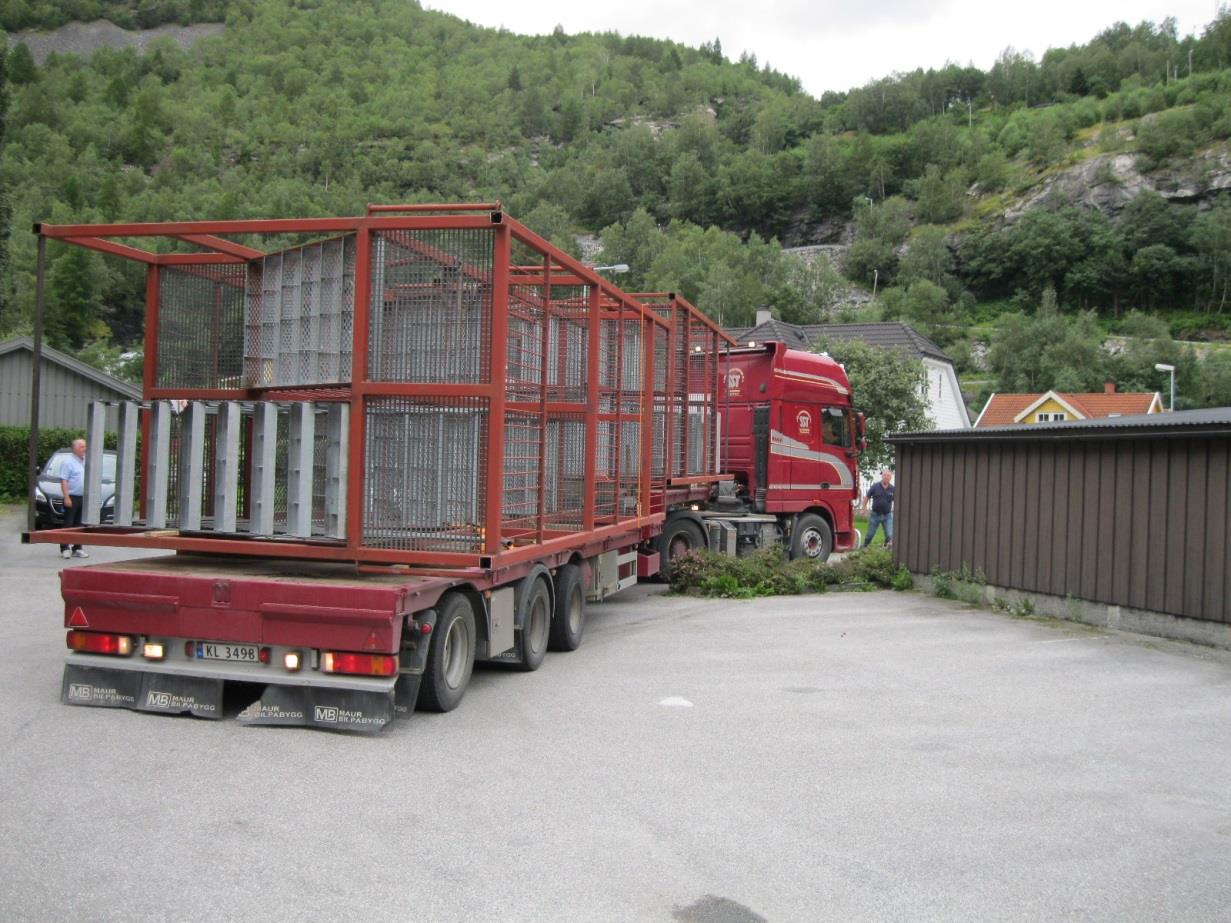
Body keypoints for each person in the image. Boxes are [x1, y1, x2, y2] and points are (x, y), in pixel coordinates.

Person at [58, 438, 88, 559]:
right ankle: (65, 548)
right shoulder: (67, 462)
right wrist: (66, 497)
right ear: (75, 449)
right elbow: (63, 480)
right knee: (68, 523)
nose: (84, 449)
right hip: (72, 497)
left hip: (83, 497)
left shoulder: (86, 461)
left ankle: (78, 548)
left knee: (79, 524)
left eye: (85, 446)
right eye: (82, 447)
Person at [862, 468, 895, 548]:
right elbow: (867, 497)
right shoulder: (875, 486)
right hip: (875, 515)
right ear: (882, 476)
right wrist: (864, 509)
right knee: (870, 534)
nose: (886, 477)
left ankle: (886, 548)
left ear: (890, 478)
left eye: (888, 476)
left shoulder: (893, 489)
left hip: (887, 516)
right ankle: (864, 548)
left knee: (889, 535)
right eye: (884, 475)